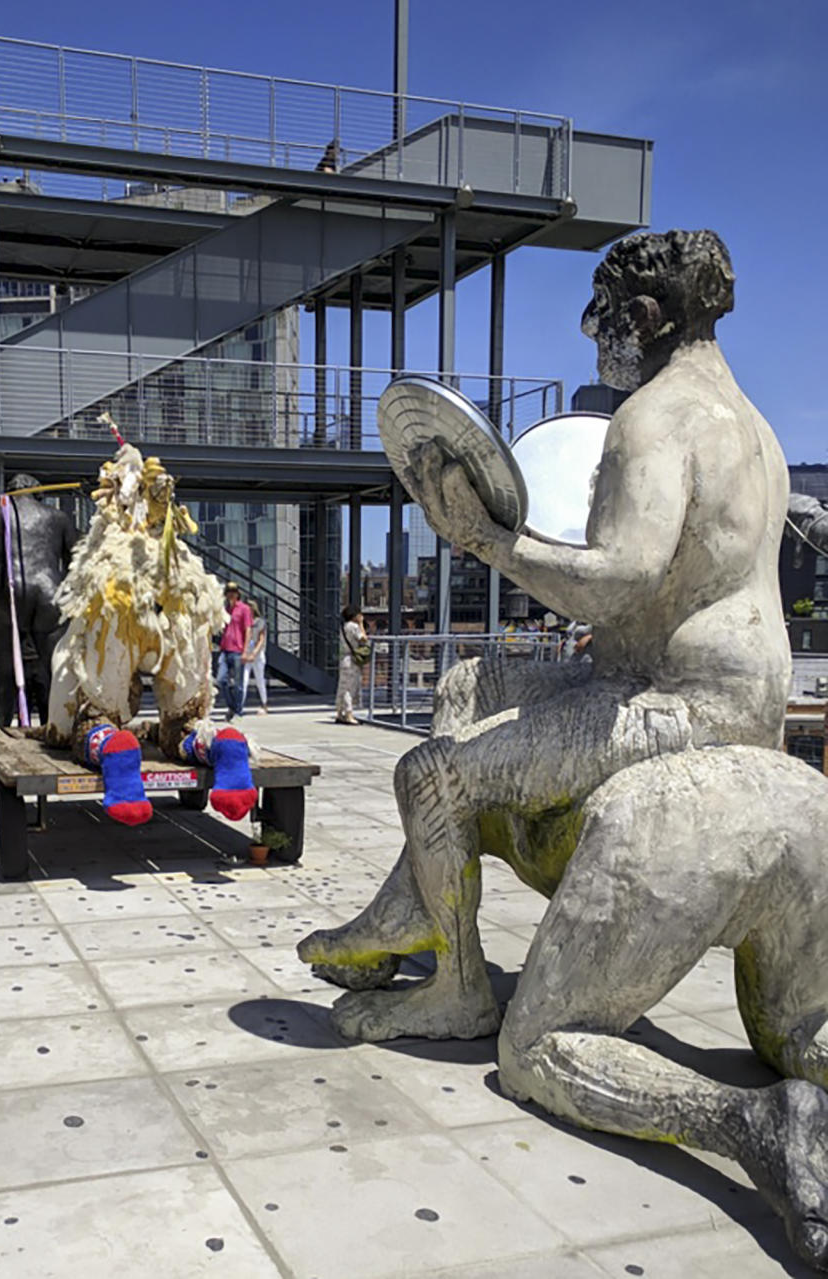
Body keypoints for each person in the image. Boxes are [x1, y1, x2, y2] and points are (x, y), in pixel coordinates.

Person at [302, 229, 791, 1035]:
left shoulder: (655, 416)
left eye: (599, 313)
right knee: (466, 684)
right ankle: (409, 905)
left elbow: (623, 580)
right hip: (721, 690)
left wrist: (491, 541)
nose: (586, 330)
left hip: (681, 707)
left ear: (642, 314)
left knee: (431, 776)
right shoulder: (754, 426)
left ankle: (457, 988)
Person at [0, 474, 77, 726]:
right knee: (52, 672)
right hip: (50, 591)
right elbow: (75, 561)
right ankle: (54, 731)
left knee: (4, 675)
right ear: (38, 492)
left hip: (9, 592)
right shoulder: (58, 517)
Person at [217, 582, 252, 722]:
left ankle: (238, 710)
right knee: (221, 680)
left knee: (238, 684)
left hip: (237, 650)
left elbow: (248, 630)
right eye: (228, 592)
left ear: (238, 593)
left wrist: (245, 650)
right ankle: (232, 706)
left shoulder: (244, 609)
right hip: (225, 649)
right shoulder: (225, 609)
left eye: (233, 592)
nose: (231, 594)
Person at [334, 603, 368, 725]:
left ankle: (339, 713)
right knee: (350, 687)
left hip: (344, 658)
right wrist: (361, 624)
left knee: (342, 687)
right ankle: (349, 714)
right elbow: (363, 638)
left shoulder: (344, 627)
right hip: (352, 660)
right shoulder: (354, 626)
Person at [241, 601, 269, 715]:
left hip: (257, 654)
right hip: (246, 654)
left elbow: (261, 639)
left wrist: (254, 653)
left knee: (259, 680)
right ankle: (239, 706)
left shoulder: (260, 622)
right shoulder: (243, 622)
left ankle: (264, 703)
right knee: (243, 680)